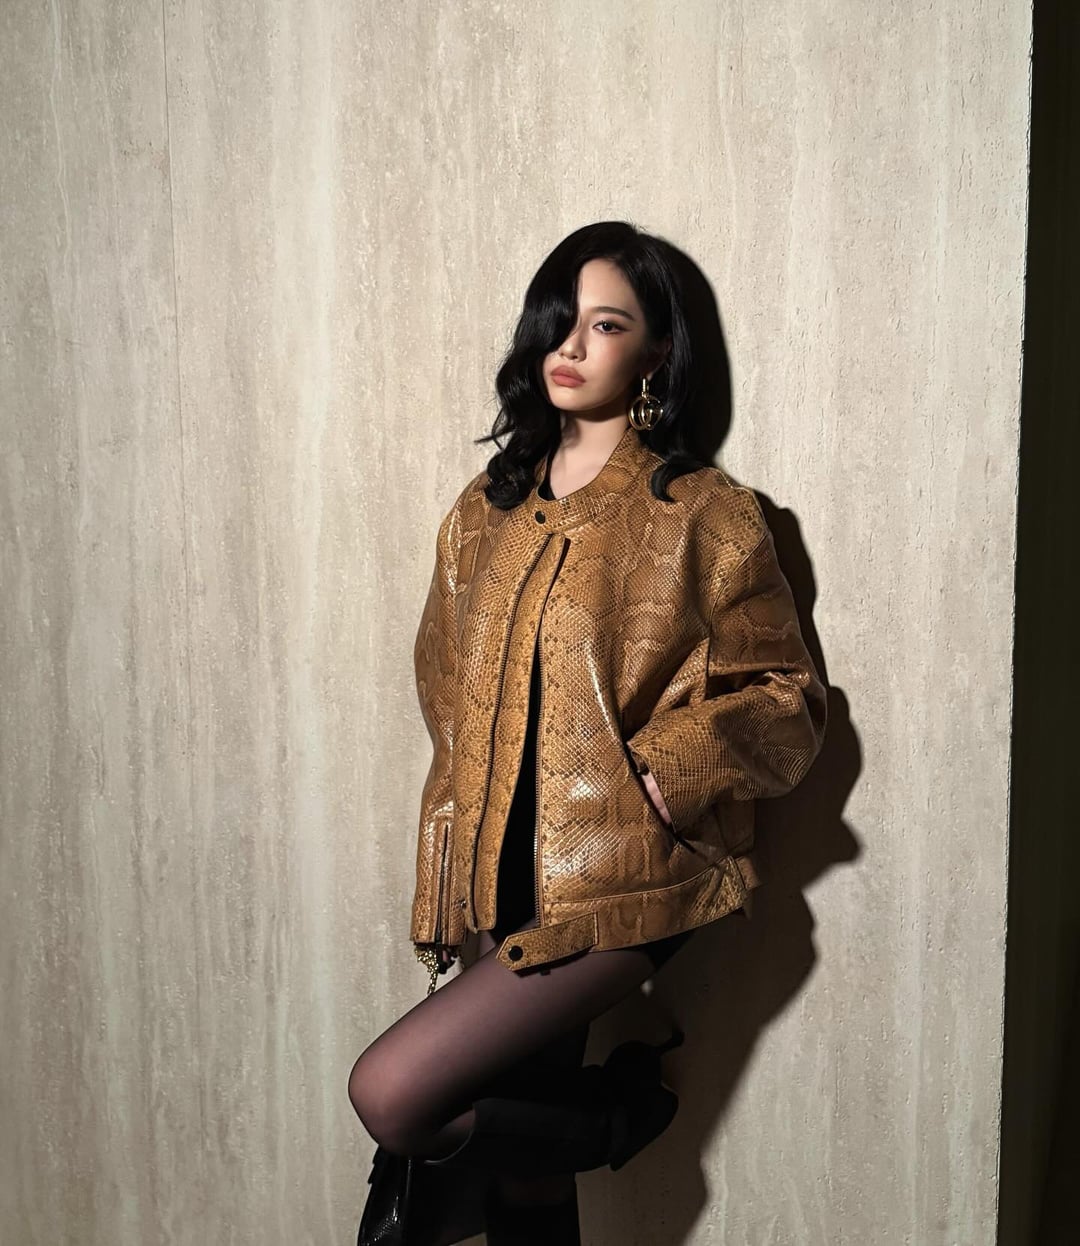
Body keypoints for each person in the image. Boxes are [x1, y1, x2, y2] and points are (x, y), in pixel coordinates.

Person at [349, 221, 828, 1245]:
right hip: (497, 875)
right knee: (527, 1197)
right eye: (560, 321)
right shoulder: (483, 513)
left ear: (655, 353)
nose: (570, 346)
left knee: (392, 1092)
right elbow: (447, 705)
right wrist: (444, 877)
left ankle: (617, 1116)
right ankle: (586, 1128)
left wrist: (665, 769)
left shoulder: (702, 513)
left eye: (606, 325)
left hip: (625, 878)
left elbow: (788, 697)